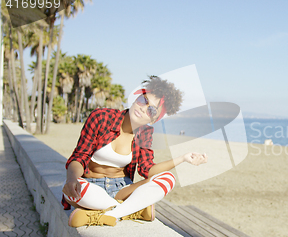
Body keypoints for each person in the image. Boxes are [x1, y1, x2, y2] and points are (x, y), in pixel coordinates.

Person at [62, 76, 208, 227]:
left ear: (153, 120)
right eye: (144, 100)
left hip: (121, 189)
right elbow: (80, 156)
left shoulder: (145, 133)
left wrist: (183, 158)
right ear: (136, 98)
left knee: (168, 179)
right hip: (90, 186)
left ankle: (110, 214)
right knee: (70, 191)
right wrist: (71, 179)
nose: (143, 108)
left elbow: (148, 169)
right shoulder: (101, 117)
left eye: (151, 110)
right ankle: (129, 210)